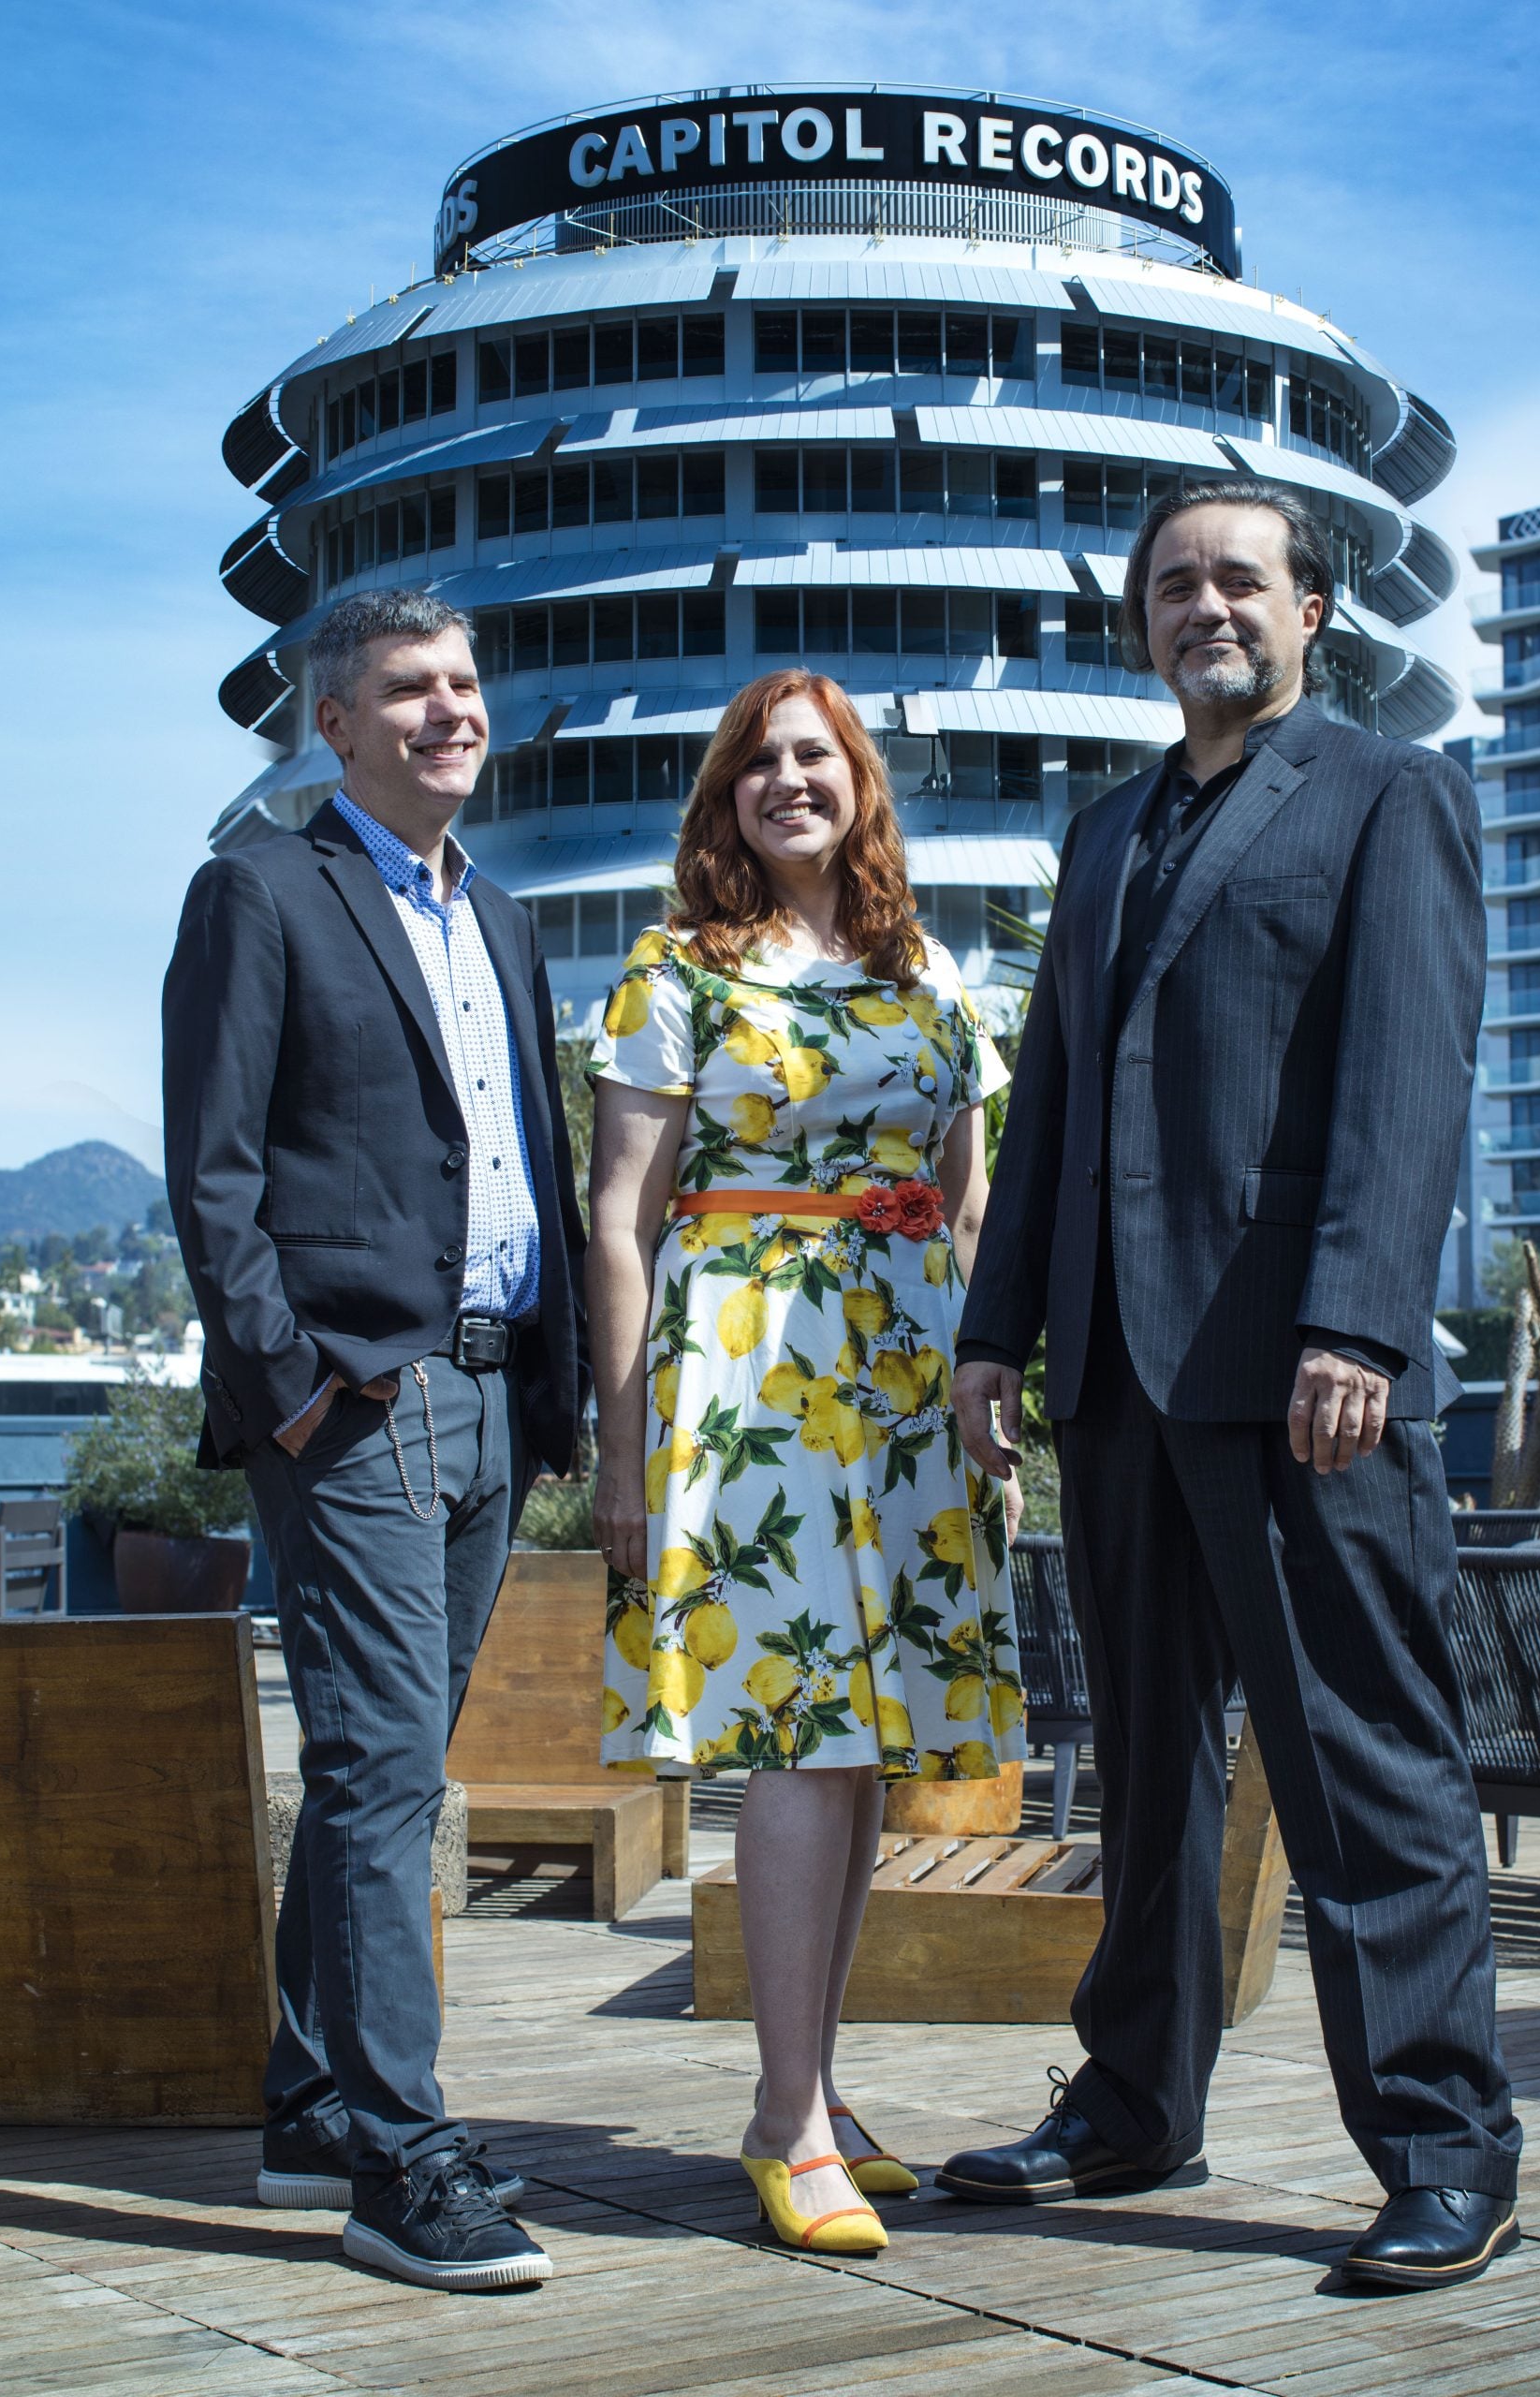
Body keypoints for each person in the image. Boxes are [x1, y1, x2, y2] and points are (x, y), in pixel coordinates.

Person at [946, 481, 1523, 2291]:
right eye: (1174, 585)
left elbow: (1404, 1074)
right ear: (1143, 624)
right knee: (1142, 1773)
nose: (1207, 607)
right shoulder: (1100, 834)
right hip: (1117, 1373)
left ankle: (1444, 2148)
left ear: (1311, 613)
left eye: (1239, 580)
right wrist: (993, 1331)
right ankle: (1133, 2105)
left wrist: (1356, 1323)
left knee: (1364, 1763)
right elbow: (1048, 1101)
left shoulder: (1384, 794)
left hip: (1300, 1378)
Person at [163, 589, 587, 2293]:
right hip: (358, 1401)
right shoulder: (260, 889)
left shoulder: (500, 917)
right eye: (408, 690)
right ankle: (404, 2167)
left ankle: (314, 2103)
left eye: (465, 685)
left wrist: (545, 1394)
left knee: (383, 1760)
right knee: (382, 1772)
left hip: (493, 1396)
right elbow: (216, 1181)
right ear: (330, 724)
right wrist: (297, 1386)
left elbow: (527, 1168)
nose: (447, 713)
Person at [588, 668, 1022, 2255]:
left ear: (860, 787)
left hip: (908, 1382)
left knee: (867, 1747)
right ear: (725, 794)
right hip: (746, 1376)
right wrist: (624, 1445)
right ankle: (782, 2122)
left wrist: (990, 1401)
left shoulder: (927, 975)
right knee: (801, 1732)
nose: (788, 782)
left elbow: (971, 1206)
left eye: (817, 759)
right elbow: (621, 1223)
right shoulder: (674, 972)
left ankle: (818, 2093)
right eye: (759, 762)